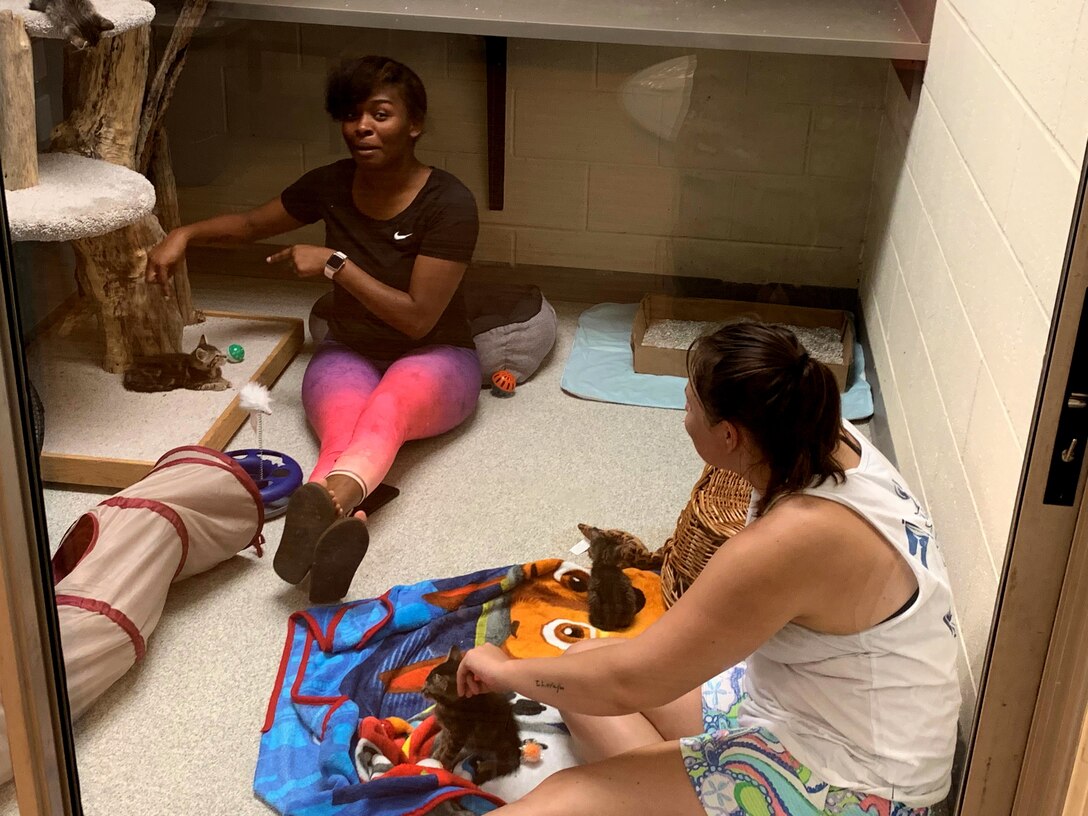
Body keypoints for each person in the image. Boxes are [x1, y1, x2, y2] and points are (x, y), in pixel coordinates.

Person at [457, 321, 960, 816]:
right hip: (817, 709)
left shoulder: (789, 541)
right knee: (582, 666)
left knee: (564, 798)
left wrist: (509, 672)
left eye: (689, 403)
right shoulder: (820, 435)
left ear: (729, 435)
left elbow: (631, 682)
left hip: (862, 783)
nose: (683, 414)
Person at [146, 56, 482, 603]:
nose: (363, 127)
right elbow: (253, 225)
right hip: (348, 348)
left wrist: (335, 264)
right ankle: (335, 521)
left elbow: (418, 316)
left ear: (414, 124)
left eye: (381, 114)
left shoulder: (449, 203)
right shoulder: (330, 183)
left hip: (438, 353)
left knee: (387, 409)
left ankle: (326, 502)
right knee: (345, 429)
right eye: (352, 115)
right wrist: (184, 232)